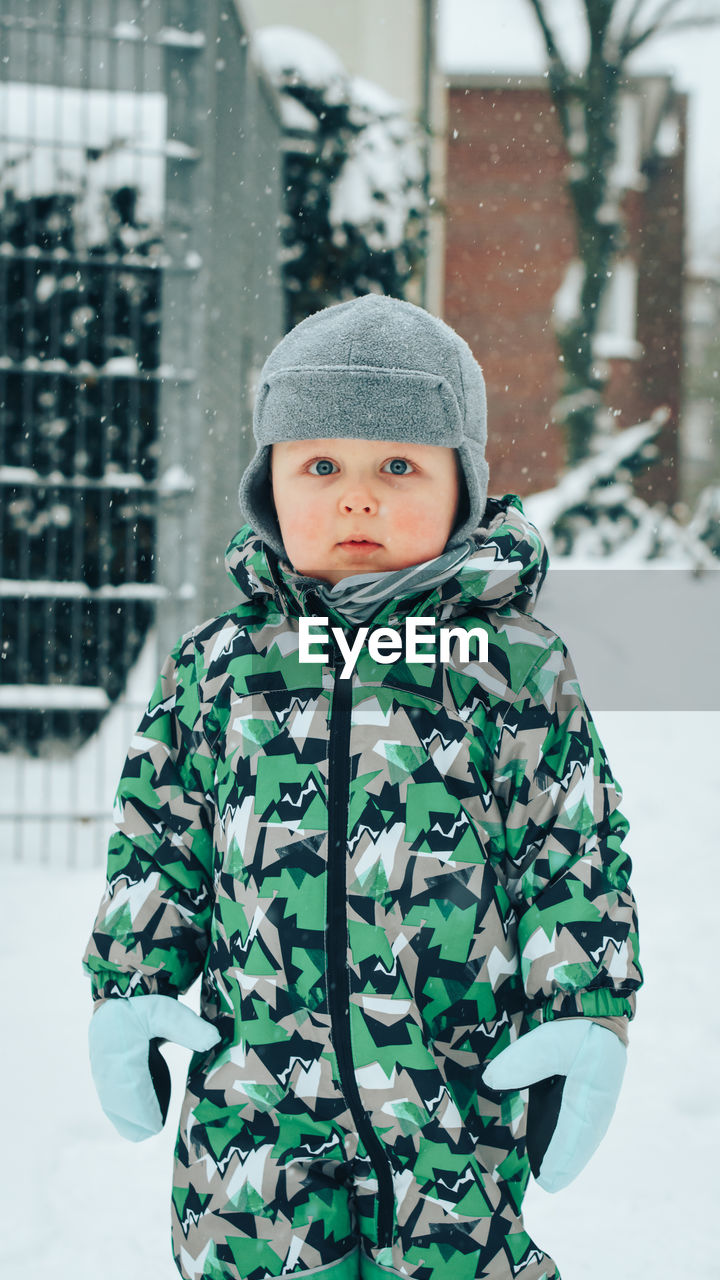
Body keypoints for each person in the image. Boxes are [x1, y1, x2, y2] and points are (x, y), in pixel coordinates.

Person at [83, 294, 643, 1280]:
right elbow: (159, 840)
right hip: (251, 1107)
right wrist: (132, 981)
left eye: (398, 466)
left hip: (450, 1098)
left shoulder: (512, 665)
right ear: (270, 487)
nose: (357, 498)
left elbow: (573, 849)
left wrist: (584, 1007)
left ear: (461, 483)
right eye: (320, 465)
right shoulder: (219, 665)